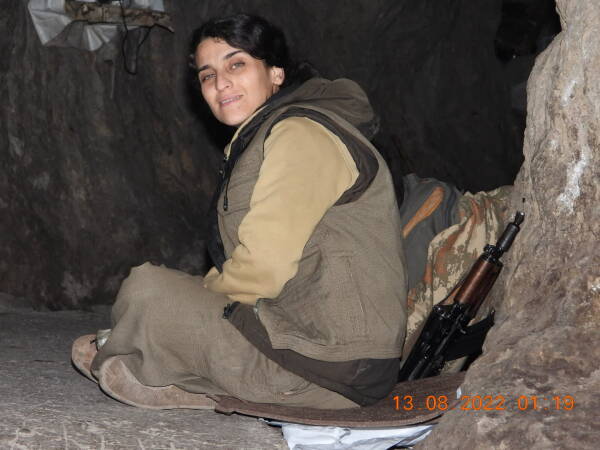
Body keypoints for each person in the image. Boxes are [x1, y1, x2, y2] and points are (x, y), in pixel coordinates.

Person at [71, 13, 407, 410]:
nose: (220, 83)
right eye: (207, 75)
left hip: (329, 363)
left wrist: (189, 307)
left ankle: (164, 364)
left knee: (146, 290)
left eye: (236, 64)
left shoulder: (301, 134)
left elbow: (262, 267)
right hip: (307, 345)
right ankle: (171, 370)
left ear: (276, 72)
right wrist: (197, 302)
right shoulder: (267, 135)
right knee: (164, 300)